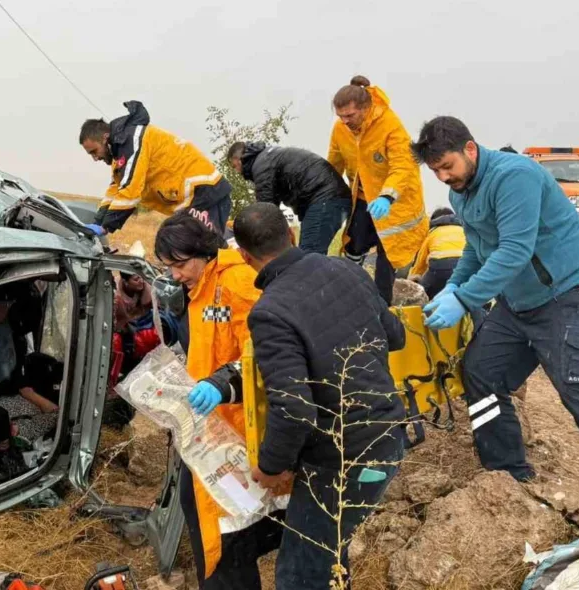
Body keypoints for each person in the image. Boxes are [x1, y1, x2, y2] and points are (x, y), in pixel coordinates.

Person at [413, 116, 579, 486]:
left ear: (469, 149)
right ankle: (507, 478)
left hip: (572, 293)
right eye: (435, 171)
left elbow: (515, 249)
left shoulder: (514, 176)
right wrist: (452, 289)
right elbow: (475, 249)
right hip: (520, 304)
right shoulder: (460, 192)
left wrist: (467, 298)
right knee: (482, 372)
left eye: (447, 166)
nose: (442, 177)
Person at [233, 202, 407, 590]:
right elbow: (396, 335)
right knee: (328, 555)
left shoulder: (270, 311)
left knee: (301, 574)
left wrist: (271, 466)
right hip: (388, 438)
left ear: (245, 257)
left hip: (342, 459)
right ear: (291, 235)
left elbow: (293, 408)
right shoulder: (346, 268)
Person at [154, 212, 283, 590]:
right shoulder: (199, 289)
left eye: (180, 264)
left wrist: (221, 385)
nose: (175, 275)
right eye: (168, 267)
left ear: (204, 251)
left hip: (237, 432)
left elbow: (263, 352)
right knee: (207, 518)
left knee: (227, 530)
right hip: (208, 429)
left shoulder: (238, 282)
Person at [328, 75, 428, 304]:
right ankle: (350, 294)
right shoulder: (340, 129)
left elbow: (403, 165)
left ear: (365, 108)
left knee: (387, 255)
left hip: (395, 200)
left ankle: (383, 305)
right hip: (363, 197)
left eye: (350, 116)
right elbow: (334, 163)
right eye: (340, 116)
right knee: (353, 245)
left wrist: (387, 196)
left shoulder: (390, 125)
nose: (345, 121)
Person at [80, 101, 232, 236]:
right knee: (184, 248)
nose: (95, 158)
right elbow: (115, 189)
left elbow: (131, 190)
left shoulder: (132, 141)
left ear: (105, 137)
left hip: (206, 192)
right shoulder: (120, 153)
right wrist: (98, 222)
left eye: (94, 151)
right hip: (195, 197)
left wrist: (106, 226)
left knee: (201, 250)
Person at [226, 141, 352, 254]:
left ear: (238, 160)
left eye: (234, 167)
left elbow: (265, 210)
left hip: (326, 198)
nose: (237, 172)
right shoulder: (267, 156)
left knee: (310, 255)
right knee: (311, 254)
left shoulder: (261, 166)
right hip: (329, 197)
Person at [410, 207, 466, 299]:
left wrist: (411, 280)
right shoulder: (464, 230)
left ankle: (424, 311)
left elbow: (420, 262)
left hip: (439, 267)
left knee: (419, 295)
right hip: (464, 266)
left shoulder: (432, 232)